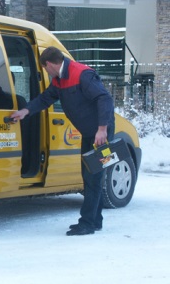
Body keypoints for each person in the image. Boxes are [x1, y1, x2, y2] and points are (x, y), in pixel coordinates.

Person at [10, 46, 115, 236]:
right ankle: (94, 220)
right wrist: (26, 111)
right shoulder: (59, 81)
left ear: (49, 64)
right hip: (89, 133)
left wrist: (102, 129)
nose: (46, 73)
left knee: (93, 176)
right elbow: (45, 98)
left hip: (101, 134)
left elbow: (104, 99)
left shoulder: (81, 74)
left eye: (45, 69)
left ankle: (88, 223)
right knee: (90, 174)